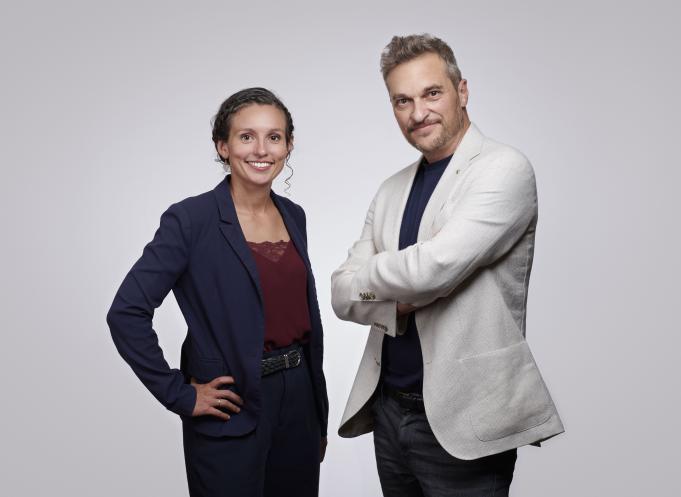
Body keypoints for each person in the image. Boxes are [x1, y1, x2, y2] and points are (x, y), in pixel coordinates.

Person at [331, 34, 564, 497]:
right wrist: (397, 300)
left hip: (465, 418)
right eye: (402, 100)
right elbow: (340, 292)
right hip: (389, 410)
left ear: (461, 91)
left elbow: (433, 270)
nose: (418, 113)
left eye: (431, 93)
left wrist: (374, 279)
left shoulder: (503, 168)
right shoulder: (391, 188)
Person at [107, 87, 328, 497]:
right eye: (246, 137)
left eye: (274, 137)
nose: (261, 149)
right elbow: (126, 312)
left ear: (289, 145)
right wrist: (179, 394)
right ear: (223, 146)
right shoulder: (190, 220)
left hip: (299, 402)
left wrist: (317, 412)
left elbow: (302, 317)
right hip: (234, 404)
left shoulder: (294, 216)